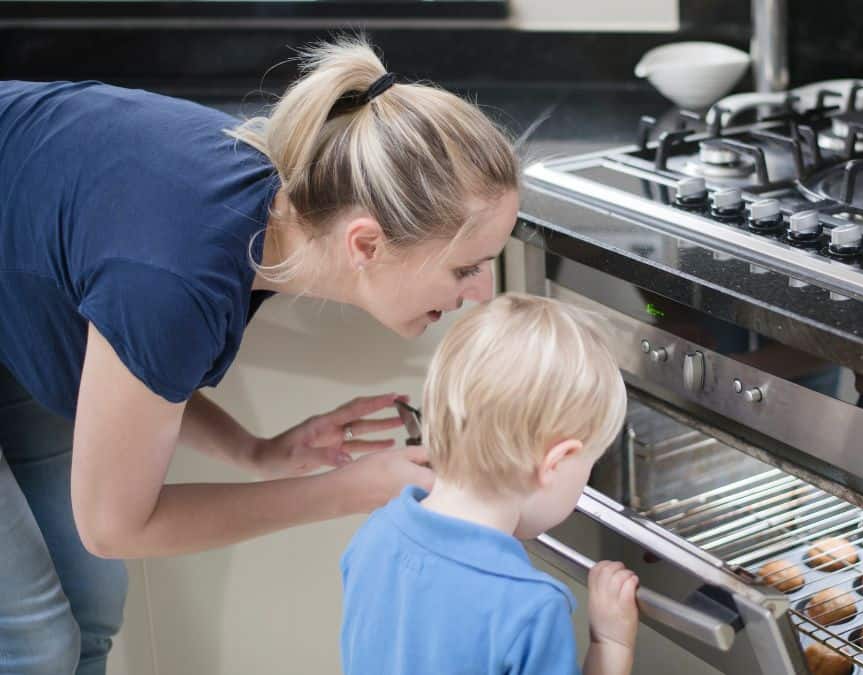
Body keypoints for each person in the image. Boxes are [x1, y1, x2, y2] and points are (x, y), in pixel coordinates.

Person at [0, 36, 518, 674]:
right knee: (32, 643)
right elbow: (114, 525)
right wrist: (345, 492)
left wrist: (258, 451)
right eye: (468, 267)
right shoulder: (176, 272)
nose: (482, 292)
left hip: (15, 285)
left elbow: (136, 369)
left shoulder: (278, 211)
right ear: (365, 244)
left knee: (92, 608)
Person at [340, 293, 639, 675]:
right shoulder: (530, 608)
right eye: (589, 466)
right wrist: (611, 644)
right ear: (556, 463)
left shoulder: (374, 537)